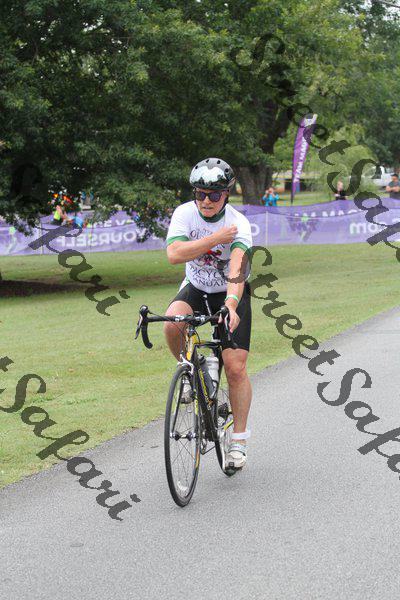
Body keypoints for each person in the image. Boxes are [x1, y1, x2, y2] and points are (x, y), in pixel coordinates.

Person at [164, 157, 253, 469]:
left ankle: (238, 440)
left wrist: (231, 305)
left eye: (214, 195)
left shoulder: (239, 223)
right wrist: (216, 239)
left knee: (235, 366)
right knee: (172, 323)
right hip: (196, 287)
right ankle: (191, 368)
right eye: (201, 194)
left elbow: (237, 268)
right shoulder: (184, 214)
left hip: (229, 292)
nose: (206, 201)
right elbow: (174, 254)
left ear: (226, 194)